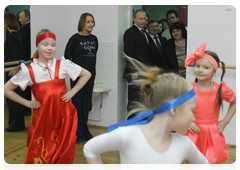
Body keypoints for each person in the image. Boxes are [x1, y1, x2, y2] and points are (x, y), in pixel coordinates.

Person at [83, 56, 209, 170]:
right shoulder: (128, 135)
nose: (193, 118)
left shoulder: (184, 144)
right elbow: (90, 149)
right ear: (174, 110)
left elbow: (203, 165)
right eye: (192, 110)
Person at [4, 29, 91, 170]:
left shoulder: (63, 64)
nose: (50, 48)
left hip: (63, 118)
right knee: (41, 154)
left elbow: (86, 74)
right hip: (43, 120)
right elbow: (6, 89)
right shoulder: (29, 70)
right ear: (37, 46)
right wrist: (27, 103)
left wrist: (72, 92)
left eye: (53, 45)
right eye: (45, 44)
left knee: (63, 153)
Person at [184, 42, 238, 170]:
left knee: (208, 165)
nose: (200, 70)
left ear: (214, 71)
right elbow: (177, 108)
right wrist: (187, 121)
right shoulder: (188, 89)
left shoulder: (220, 90)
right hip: (193, 132)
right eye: (197, 66)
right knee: (191, 165)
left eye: (205, 67)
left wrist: (225, 122)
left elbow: (235, 102)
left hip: (212, 134)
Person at [64, 13, 98, 145]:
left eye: (92, 22)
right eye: (88, 21)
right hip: (77, 78)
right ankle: (78, 133)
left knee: (85, 105)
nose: (91, 24)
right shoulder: (74, 39)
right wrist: (75, 74)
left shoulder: (94, 39)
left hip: (90, 77)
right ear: (82, 23)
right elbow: (67, 59)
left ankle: (85, 132)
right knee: (77, 106)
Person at [123, 9, 152, 113]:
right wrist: (133, 71)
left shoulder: (145, 33)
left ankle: (140, 125)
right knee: (134, 101)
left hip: (144, 72)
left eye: (144, 19)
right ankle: (131, 125)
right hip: (135, 73)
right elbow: (129, 54)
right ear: (134, 18)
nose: (143, 21)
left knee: (142, 100)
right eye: (140, 19)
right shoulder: (130, 32)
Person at [4, 13, 25, 132]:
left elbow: (13, 56)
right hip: (15, 71)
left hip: (12, 71)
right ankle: (17, 124)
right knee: (15, 97)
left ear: (8, 22)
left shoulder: (12, 36)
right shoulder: (15, 35)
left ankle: (15, 125)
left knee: (13, 99)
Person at [18, 9, 31, 115]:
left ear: (27, 17)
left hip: (24, 61)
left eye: (21, 17)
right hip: (31, 60)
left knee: (25, 85)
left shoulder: (23, 30)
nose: (19, 19)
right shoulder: (34, 27)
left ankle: (26, 109)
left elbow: (20, 47)